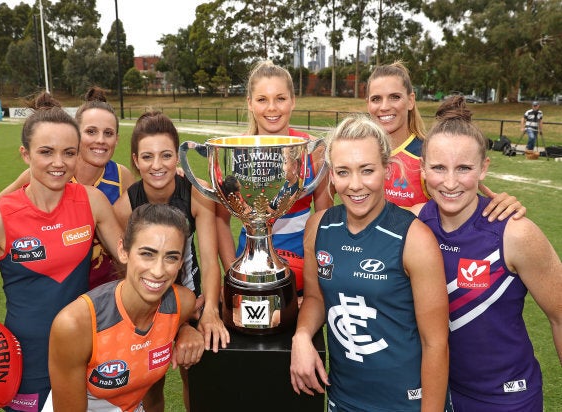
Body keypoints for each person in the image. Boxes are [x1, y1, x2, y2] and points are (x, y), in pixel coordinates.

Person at [0, 92, 124, 411]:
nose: (58, 163)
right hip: (24, 367)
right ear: (25, 154)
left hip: (88, 357)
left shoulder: (93, 202)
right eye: (46, 152)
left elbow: (130, 262)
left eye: (68, 153)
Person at [290, 114, 451, 411]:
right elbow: (314, 297)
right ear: (332, 176)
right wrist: (302, 335)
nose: (355, 185)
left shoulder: (415, 239)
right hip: (342, 398)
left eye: (367, 170)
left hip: (404, 402)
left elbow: (436, 343)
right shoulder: (318, 227)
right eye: (343, 172)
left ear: (386, 170)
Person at [412, 96, 562, 411]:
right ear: (423, 169)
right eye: (438, 167)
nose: (450, 182)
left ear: (484, 168)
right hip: (438, 393)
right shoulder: (412, 224)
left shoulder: (515, 233)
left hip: (507, 399)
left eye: (464, 168)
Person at [113, 111, 229, 411]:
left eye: (165, 155)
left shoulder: (196, 192)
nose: (157, 165)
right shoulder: (125, 207)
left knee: (197, 380)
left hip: (194, 300)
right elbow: (130, 274)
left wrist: (210, 312)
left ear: (177, 157)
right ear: (136, 160)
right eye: (147, 157)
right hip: (147, 305)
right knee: (150, 387)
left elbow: (208, 258)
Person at [45, 203, 205, 411]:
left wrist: (185, 330)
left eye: (171, 257)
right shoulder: (76, 324)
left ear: (181, 262)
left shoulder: (182, 303)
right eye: (147, 254)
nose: (158, 271)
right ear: (123, 251)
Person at [0, 86, 135, 289]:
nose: (100, 140)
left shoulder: (122, 176)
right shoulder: (50, 174)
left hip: (107, 291)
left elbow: (135, 231)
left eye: (108, 133)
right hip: (62, 292)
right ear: (75, 134)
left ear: (117, 139)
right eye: (91, 131)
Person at [216, 60, 332, 292]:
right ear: (249, 103)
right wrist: (232, 270)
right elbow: (221, 220)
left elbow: (325, 218)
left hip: (302, 265)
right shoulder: (233, 151)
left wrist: (313, 284)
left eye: (280, 98)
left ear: (293, 100)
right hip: (249, 261)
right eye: (262, 99)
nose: (272, 108)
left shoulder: (314, 150)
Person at [366, 61, 525, 219]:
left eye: (394, 97)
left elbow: (464, 198)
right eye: (376, 99)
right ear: (368, 104)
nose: (384, 106)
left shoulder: (428, 154)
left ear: (410, 101)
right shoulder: (359, 155)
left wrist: (503, 204)